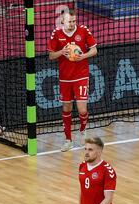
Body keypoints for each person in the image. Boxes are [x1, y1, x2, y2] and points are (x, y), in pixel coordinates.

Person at [48, 9, 98, 152]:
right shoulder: (56, 33)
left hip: (81, 75)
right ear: (63, 21)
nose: (72, 24)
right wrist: (62, 52)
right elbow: (51, 55)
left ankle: (83, 131)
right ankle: (68, 140)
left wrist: (83, 56)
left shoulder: (83, 30)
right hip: (65, 78)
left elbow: (94, 50)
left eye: (74, 21)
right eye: (70, 21)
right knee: (66, 108)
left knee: (82, 109)